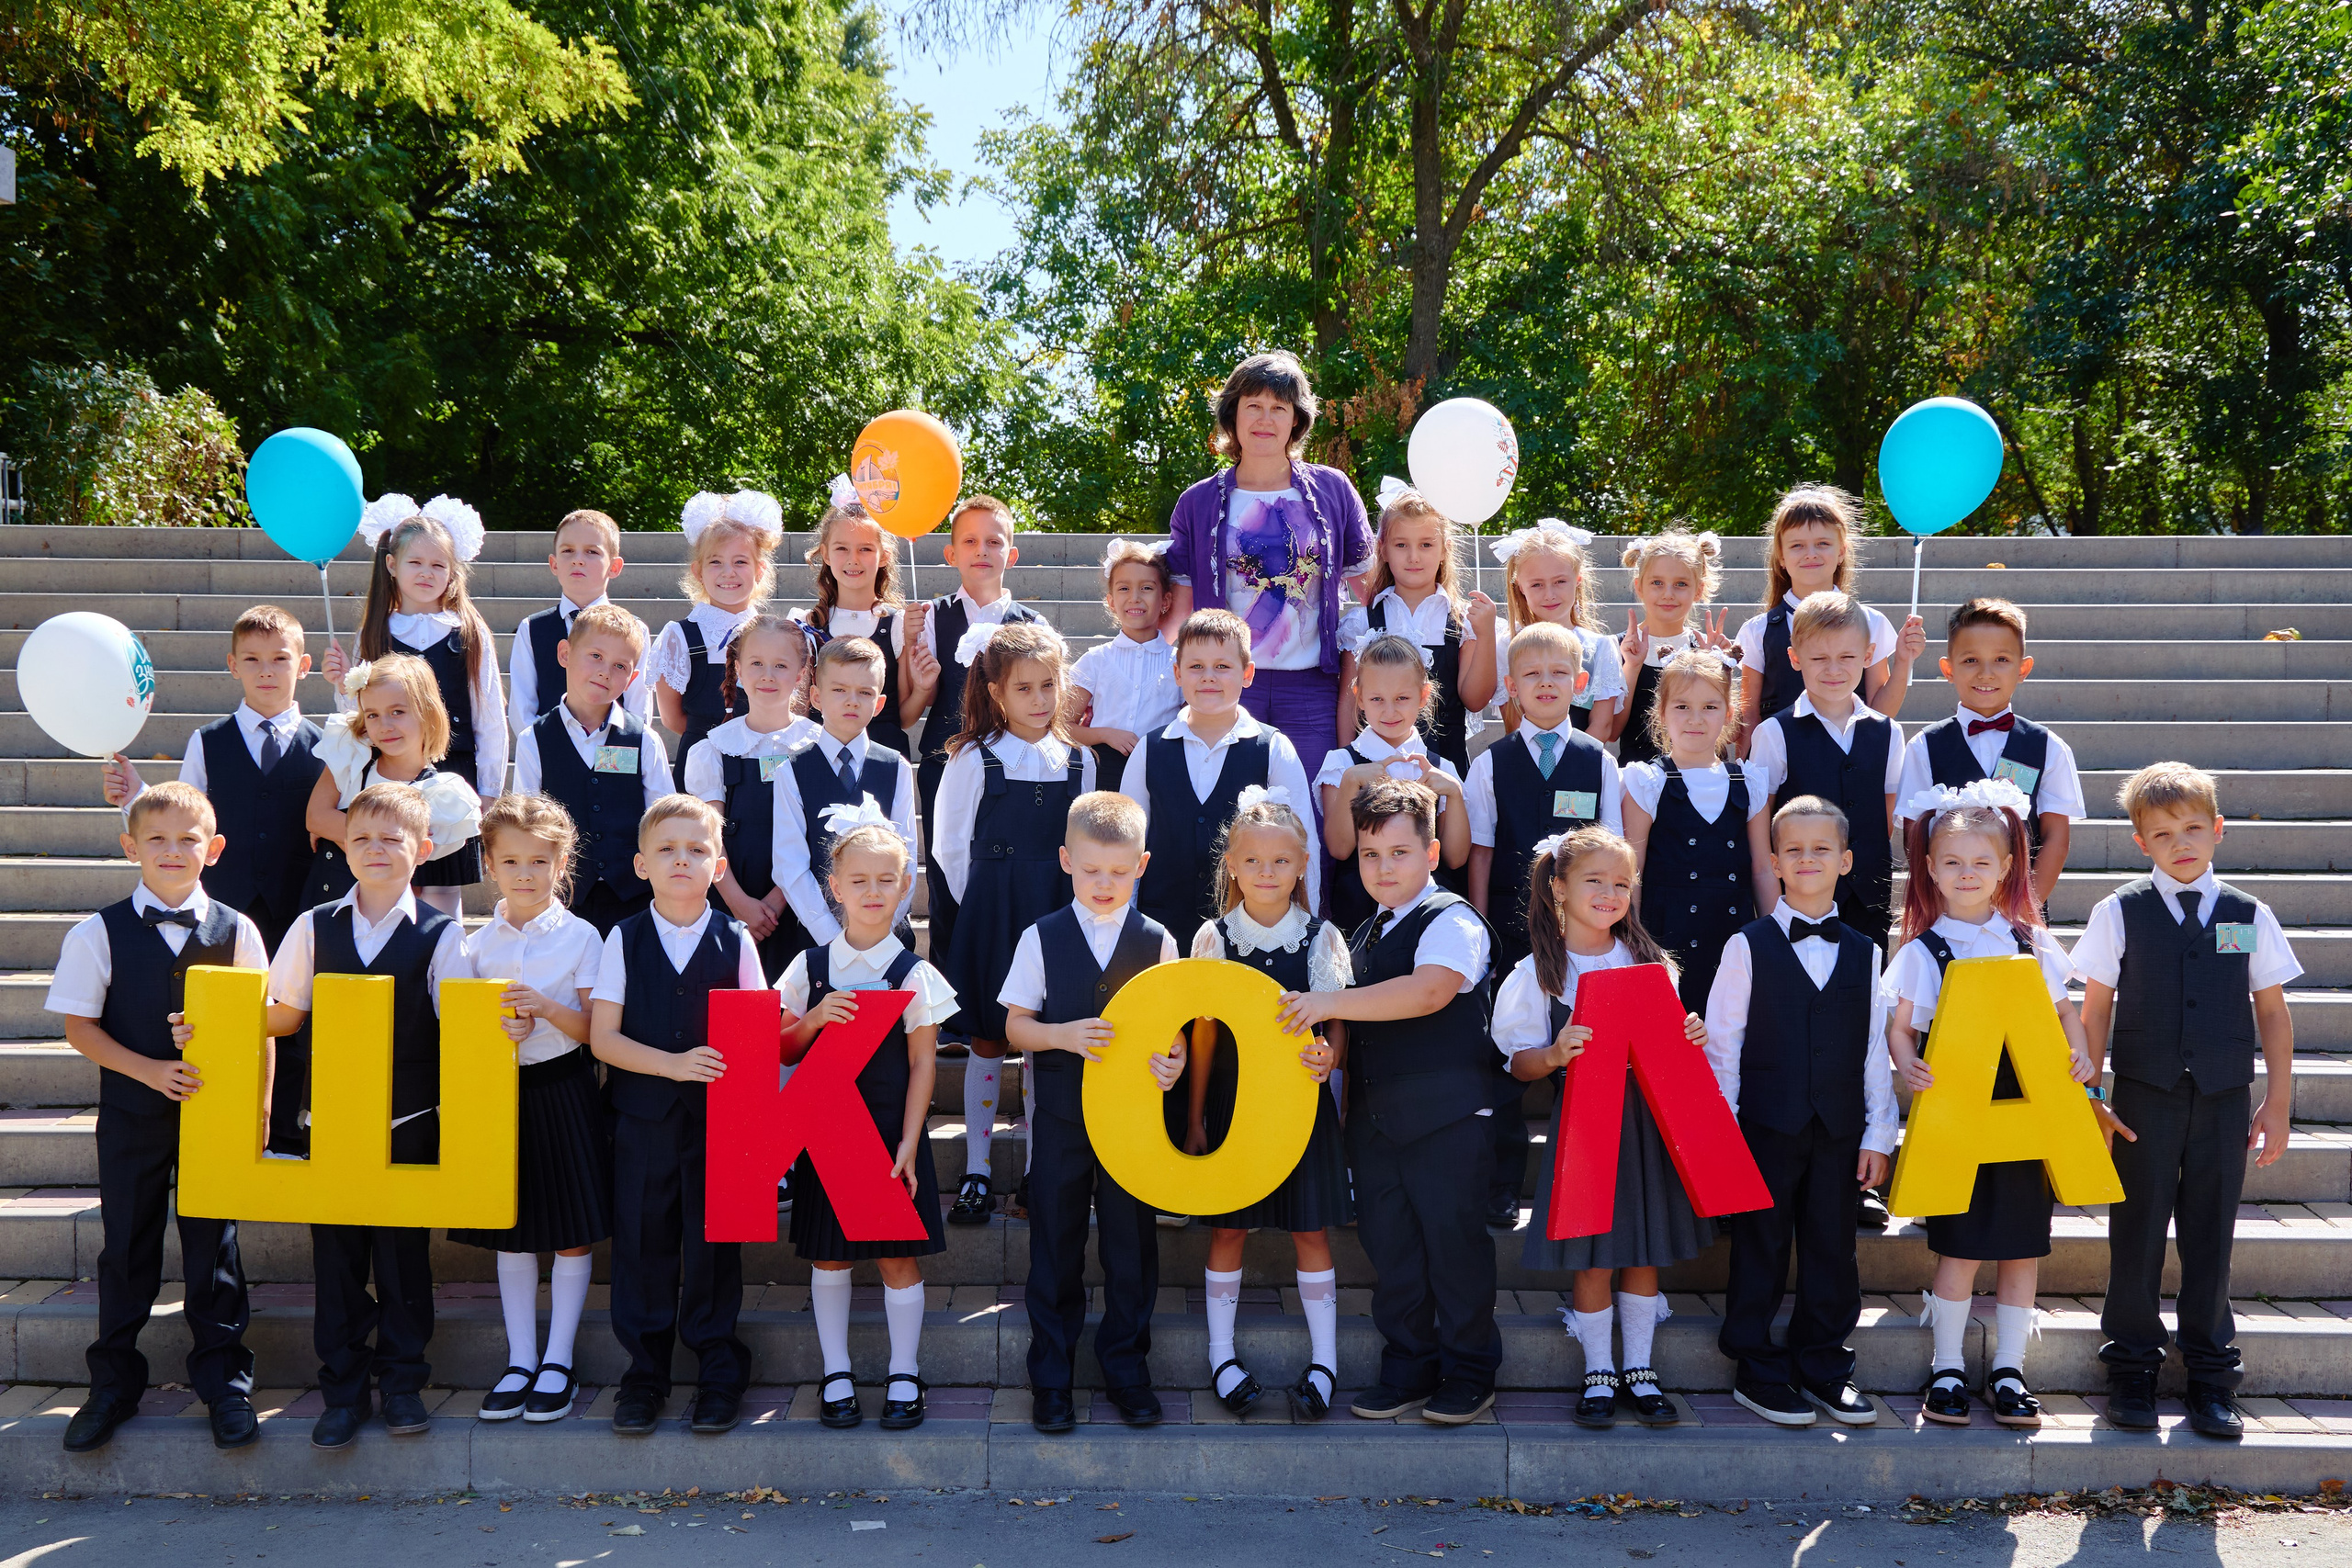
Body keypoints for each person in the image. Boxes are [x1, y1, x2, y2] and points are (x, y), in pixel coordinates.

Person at [2072, 761, 2301, 1440]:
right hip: (2144, 1098)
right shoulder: (2119, 911)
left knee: (2211, 1236)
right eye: (2165, 832)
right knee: (2136, 1231)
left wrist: (2279, 1102)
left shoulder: (2248, 913)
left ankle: (2210, 1375)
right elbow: (2094, 1011)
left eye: (2195, 827)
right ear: (2141, 842)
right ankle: (2134, 1367)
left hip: (2225, 1099)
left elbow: (2274, 1011)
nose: (2182, 842)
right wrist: (2092, 1094)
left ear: (2218, 830)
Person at [49, 783, 267, 1453]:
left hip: (214, 1119)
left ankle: (225, 1382)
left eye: (189, 839)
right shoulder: (98, 930)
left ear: (215, 848)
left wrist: (257, 1112)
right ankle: (112, 1383)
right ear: (130, 847)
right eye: (158, 840)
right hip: (132, 1114)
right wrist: (148, 1069)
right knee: (126, 1247)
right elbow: (80, 1027)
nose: (173, 852)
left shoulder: (240, 928)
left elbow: (262, 1030)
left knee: (215, 1251)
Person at [1280, 779, 1499, 1427]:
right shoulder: (1369, 929)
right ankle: (1409, 1365)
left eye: (1400, 853)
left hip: (1447, 1121)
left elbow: (1430, 993)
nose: (1383, 867)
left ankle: (1468, 1371)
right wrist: (1329, 1052)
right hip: (1376, 1124)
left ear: (1433, 851)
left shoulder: (1453, 920)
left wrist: (1327, 1003)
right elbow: (1359, 1023)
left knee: (1453, 1249)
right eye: (1371, 855)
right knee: (1392, 1247)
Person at [264, 782, 473, 1450]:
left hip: (407, 1123)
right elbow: (284, 1016)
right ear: (341, 846)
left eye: (392, 838)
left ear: (424, 847)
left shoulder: (444, 936)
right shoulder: (312, 926)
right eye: (362, 839)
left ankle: (404, 1382)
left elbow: (460, 1030)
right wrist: (206, 1027)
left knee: (403, 1258)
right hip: (329, 1123)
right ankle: (344, 1390)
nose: (376, 849)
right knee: (338, 1259)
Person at [1885, 782, 2091, 1429]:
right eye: (1952, 862)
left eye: (1981, 861)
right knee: (1961, 1244)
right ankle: (1946, 1365)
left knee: (2022, 1246)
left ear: (2007, 867)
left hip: (2027, 1109)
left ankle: (2009, 1367)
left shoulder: (2028, 940)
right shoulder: (1924, 949)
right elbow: (1900, 1023)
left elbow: (2065, 1011)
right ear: (1930, 870)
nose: (1967, 873)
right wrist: (1903, 1058)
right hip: (1959, 1112)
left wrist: (2082, 1056)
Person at [1498, 827, 1712, 1430]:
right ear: (1559, 888)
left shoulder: (1649, 963)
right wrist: (1554, 1053)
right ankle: (1598, 1370)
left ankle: (1639, 1370)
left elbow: (1671, 1049)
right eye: (1595, 880)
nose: (1610, 892)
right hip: (1585, 1128)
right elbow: (1516, 1060)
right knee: (1594, 1258)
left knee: (1643, 1252)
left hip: (1646, 1125)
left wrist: (1690, 1034)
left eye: (1621, 882)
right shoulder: (1540, 972)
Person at [1702, 795, 1898, 1429]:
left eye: (1821, 848)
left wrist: (1878, 1132)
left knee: (1832, 1249)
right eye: (1794, 849)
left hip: (1839, 1127)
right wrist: (1724, 1133)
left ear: (1845, 859)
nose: (1807, 858)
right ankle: (1757, 1368)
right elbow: (1724, 1045)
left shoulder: (1868, 951)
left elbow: (1873, 1047)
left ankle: (1824, 1366)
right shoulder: (1746, 945)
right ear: (1775, 861)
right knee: (1759, 1245)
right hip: (1764, 1122)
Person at [1000, 792, 1185, 1434]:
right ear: (1065, 861)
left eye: (1117, 870)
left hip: (1134, 1122)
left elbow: (1174, 1034)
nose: (1103, 883)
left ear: (1141, 864)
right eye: (1090, 870)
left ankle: (1127, 1370)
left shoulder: (1159, 940)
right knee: (1055, 1246)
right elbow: (1016, 1025)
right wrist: (1064, 1034)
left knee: (1132, 1248)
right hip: (1060, 1119)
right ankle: (1051, 1378)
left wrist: (1174, 1062)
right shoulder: (1041, 936)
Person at [588, 795, 767, 1437]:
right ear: (641, 865)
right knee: (642, 1242)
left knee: (715, 1243)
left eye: (697, 849)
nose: (682, 859)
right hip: (641, 1119)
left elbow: (756, 1029)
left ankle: (719, 1371)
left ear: (718, 864)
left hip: (719, 1121)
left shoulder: (736, 937)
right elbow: (603, 1037)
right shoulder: (624, 936)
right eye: (667, 849)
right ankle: (645, 1375)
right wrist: (671, 1064)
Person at [777, 804, 956, 1431]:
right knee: (830, 1258)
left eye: (887, 880)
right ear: (835, 887)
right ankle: (836, 1371)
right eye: (860, 880)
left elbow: (923, 1065)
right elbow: (780, 1047)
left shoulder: (915, 973)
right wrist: (813, 1020)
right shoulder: (808, 969)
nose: (873, 892)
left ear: (906, 884)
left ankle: (905, 1371)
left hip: (887, 1135)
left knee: (897, 1258)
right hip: (828, 1132)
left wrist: (910, 1142)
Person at [1181, 785, 1352, 1420]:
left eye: (1280, 862)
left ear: (1303, 863)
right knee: (1229, 1228)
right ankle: (1221, 1355)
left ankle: (1326, 1360)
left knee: (1311, 1228)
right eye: (1252, 861)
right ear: (1232, 864)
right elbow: (1201, 1033)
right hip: (1233, 1108)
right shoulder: (1213, 936)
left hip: (1299, 1109)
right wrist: (1196, 1116)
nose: (1266, 873)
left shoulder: (1321, 935)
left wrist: (1329, 1057)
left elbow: (1335, 1019)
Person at [451, 795, 610, 1426]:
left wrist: (543, 1010)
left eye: (539, 861)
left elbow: (597, 1029)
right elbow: (460, 1027)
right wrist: (495, 1030)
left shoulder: (583, 936)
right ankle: (520, 1358)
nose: (525, 873)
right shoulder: (475, 944)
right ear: (490, 863)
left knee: (570, 1232)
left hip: (565, 1087)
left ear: (561, 862)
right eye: (511, 860)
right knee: (510, 1228)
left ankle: (558, 1359)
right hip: (499, 1096)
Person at [934, 620, 1095, 1224]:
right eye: (1023, 687)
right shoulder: (975, 757)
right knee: (988, 1038)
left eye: (1049, 685)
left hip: (1056, 916)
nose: (1039, 698)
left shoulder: (1079, 762)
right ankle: (977, 1168)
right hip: (992, 911)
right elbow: (949, 848)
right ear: (997, 691)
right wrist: (978, 909)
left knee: (1041, 1044)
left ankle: (1036, 1171)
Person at [1161, 351, 1375, 775]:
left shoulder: (1333, 489)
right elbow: (1179, 614)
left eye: (1279, 407)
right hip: (1224, 684)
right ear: (1232, 416)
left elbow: (1370, 590)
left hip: (1312, 687)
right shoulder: (1197, 502)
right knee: (1226, 818)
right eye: (1253, 406)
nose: (1266, 418)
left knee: (1310, 813)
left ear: (1296, 419)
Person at [101, 604, 323, 952]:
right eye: (251, 659)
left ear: (304, 666)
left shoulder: (326, 746)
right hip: (224, 903)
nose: (266, 671)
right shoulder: (207, 740)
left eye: (280, 659)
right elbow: (183, 811)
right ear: (233, 665)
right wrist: (135, 796)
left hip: (299, 903)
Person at [901, 496, 1042, 986]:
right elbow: (908, 710)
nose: (982, 550)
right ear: (949, 553)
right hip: (947, 765)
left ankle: (1012, 998)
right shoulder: (928, 618)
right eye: (969, 541)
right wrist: (920, 679)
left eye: (994, 541)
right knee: (945, 876)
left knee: (1009, 880)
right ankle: (952, 1005)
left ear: (1012, 554)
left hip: (1016, 772)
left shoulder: (1032, 624)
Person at [1123, 608, 1318, 943]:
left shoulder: (1273, 747)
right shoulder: (1149, 749)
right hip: (1161, 931)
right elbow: (1127, 845)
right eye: (1196, 666)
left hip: (1251, 934)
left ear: (1248, 673)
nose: (1208, 677)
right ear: (1177, 673)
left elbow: (1304, 842)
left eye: (1223, 667)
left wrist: (1306, 927)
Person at [1896, 597, 2086, 909]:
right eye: (1971, 660)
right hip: (1947, 913)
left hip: (2021, 914)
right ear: (1948, 669)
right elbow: (1914, 837)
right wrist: (1946, 907)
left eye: (2001, 659)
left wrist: (2021, 910)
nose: (1986, 673)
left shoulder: (2048, 746)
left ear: (2023, 668)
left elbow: (2055, 839)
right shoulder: (1924, 746)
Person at [1618, 649, 1775, 1013]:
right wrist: (1634, 941)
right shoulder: (1647, 781)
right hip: (1664, 939)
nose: (1696, 719)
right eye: (1682, 706)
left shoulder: (1748, 781)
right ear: (1661, 712)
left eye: (1710, 706)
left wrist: (1772, 938)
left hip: (1732, 935)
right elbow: (1632, 871)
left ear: (1729, 713)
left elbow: (1762, 868)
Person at [1745, 592, 1904, 951]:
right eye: (1819, 658)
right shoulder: (1773, 733)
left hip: (1869, 900)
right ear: (1795, 658)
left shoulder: (1888, 732)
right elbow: (1761, 821)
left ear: (1868, 656)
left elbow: (1887, 816)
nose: (1834, 670)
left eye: (1847, 657)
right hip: (1796, 899)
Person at [323, 492, 506, 802]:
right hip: (388, 778)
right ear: (392, 565)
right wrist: (344, 687)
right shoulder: (374, 632)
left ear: (451, 571)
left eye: (438, 565)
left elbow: (489, 719)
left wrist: (489, 792)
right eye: (416, 562)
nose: (426, 572)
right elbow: (359, 718)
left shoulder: (470, 633)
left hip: (456, 781)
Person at [1466, 622, 1623, 976]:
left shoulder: (1601, 762)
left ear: (1580, 684)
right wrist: (1482, 929)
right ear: (1511, 687)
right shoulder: (1489, 764)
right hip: (1510, 929)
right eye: (1532, 673)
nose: (1546, 682)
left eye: (1559, 672)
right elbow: (1481, 851)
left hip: (1583, 932)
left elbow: (1613, 853)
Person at [512, 603, 675, 935]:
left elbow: (664, 820)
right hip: (561, 902)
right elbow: (525, 824)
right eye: (596, 656)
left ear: (631, 679)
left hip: (634, 899)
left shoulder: (644, 739)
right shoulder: (535, 740)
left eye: (619, 666)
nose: (605, 672)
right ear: (564, 654)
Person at [1733, 485, 1925, 746]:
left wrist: (1903, 661)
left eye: (1823, 544)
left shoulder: (1871, 623)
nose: (1811, 553)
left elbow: (1880, 712)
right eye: (1797, 545)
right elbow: (1750, 713)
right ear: (1781, 556)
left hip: (1853, 759)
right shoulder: (1758, 631)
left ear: (1841, 551)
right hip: (1782, 769)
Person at [683, 615, 823, 964]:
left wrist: (780, 899)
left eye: (780, 665)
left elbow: (821, 834)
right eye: (757, 663)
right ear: (739, 669)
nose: (768, 675)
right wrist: (737, 901)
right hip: (731, 899)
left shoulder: (819, 746)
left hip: (803, 904)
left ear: (801, 674)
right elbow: (707, 837)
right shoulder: (714, 748)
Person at [1336, 481, 1497, 771]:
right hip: (1377, 764)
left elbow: (1474, 700)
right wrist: (1345, 762)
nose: (1413, 556)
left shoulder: (1462, 622)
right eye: (1401, 545)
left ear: (1444, 549)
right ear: (1382, 550)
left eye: (1426, 544)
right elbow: (1350, 702)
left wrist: (1485, 635)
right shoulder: (1362, 622)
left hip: (1445, 763)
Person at [775, 637, 921, 954]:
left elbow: (907, 854)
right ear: (816, 696)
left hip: (888, 939)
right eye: (839, 690)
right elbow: (790, 865)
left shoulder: (896, 767)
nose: (852, 701)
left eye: (865, 693)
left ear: (879, 704)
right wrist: (832, 938)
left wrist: (882, 927)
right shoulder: (792, 770)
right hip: (818, 940)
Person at [1317, 632, 1470, 933]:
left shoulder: (1443, 768)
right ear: (1359, 696)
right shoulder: (1341, 764)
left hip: (1429, 919)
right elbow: (1339, 849)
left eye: (1402, 698)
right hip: (1359, 915)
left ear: (1423, 696)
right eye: (1377, 699)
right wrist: (1350, 784)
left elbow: (1455, 857)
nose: (1389, 711)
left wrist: (1454, 792)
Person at [650, 489, 785, 762]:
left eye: (740, 562)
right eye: (716, 562)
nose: (728, 572)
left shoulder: (776, 635)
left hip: (762, 766)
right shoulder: (680, 637)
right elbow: (673, 718)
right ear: (698, 571)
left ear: (759, 570)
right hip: (701, 762)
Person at [796, 477, 916, 758]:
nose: (853, 559)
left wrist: (922, 686)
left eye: (865, 549)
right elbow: (800, 710)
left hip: (884, 755)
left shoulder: (898, 625)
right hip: (822, 755)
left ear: (884, 555)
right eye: (841, 548)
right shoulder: (807, 625)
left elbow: (906, 716)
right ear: (825, 553)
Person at [508, 507, 651, 728]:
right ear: (554, 564)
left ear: (614, 567)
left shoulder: (636, 630)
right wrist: (549, 749)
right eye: (568, 551)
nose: (578, 560)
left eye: (592, 552)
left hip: (612, 757)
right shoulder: (531, 629)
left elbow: (638, 708)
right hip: (551, 753)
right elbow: (522, 710)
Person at [1487, 518, 1624, 740]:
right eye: (1537, 584)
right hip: (1526, 764)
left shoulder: (1600, 647)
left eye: (1560, 582)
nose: (1549, 594)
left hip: (1581, 765)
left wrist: (1568, 766)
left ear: (1577, 579)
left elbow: (1603, 726)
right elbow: (1512, 722)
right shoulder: (1508, 644)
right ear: (1521, 586)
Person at [1066, 536, 1182, 788]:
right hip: (1103, 773)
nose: (1135, 598)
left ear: (1166, 601)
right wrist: (1105, 734)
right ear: (1111, 602)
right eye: (1124, 588)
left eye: (1147, 588)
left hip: (1161, 774)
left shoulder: (1179, 663)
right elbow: (1062, 726)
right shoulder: (1096, 660)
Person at [1614, 528, 1732, 769]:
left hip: (1701, 777)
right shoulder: (1618, 648)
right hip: (1639, 781)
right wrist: (1632, 668)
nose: (1668, 594)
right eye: (1657, 583)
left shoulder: (1706, 649)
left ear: (1698, 589)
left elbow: (1727, 727)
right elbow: (1612, 731)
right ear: (1639, 586)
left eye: (1680, 584)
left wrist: (1718, 668)